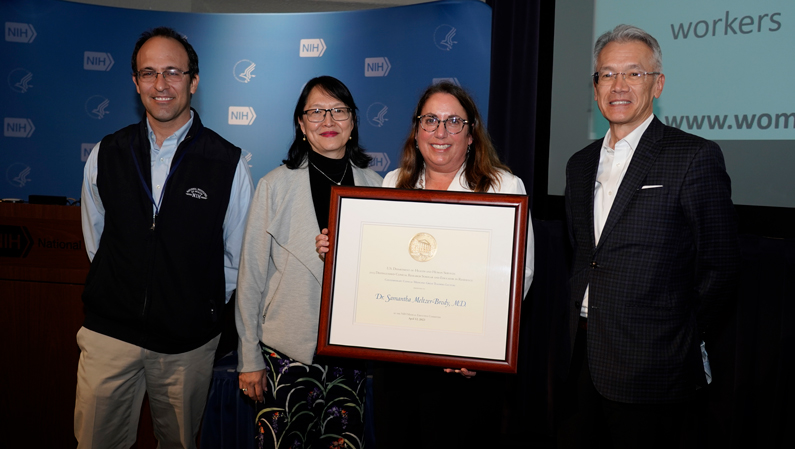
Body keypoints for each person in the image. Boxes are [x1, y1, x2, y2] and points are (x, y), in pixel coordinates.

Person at [316, 81, 535, 448]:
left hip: (465, 368)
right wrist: (339, 253)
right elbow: (376, 266)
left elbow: (519, 276)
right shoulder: (393, 184)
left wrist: (483, 349)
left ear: (471, 134)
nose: (441, 131)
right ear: (416, 132)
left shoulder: (503, 187)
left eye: (454, 121)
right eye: (430, 120)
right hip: (398, 365)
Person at [558, 24, 739, 448]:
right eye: (607, 74)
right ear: (595, 85)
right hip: (581, 354)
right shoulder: (578, 164)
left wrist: (678, 335)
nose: (618, 85)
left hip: (654, 365)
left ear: (657, 84)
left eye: (633, 73)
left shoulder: (693, 156)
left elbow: (721, 267)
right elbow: (583, 254)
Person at [76, 27, 253, 448]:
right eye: (149, 73)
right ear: (135, 83)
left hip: (186, 347)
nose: (161, 84)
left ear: (193, 81)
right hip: (109, 338)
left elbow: (236, 256)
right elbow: (94, 237)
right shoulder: (106, 152)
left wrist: (197, 305)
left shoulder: (227, 162)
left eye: (173, 72)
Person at [235, 76, 383, 449]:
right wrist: (248, 356)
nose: (328, 120)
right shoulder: (274, 186)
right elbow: (251, 278)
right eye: (316, 112)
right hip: (284, 356)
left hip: (349, 358)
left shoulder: (378, 186)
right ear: (301, 125)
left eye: (339, 111)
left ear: (353, 123)